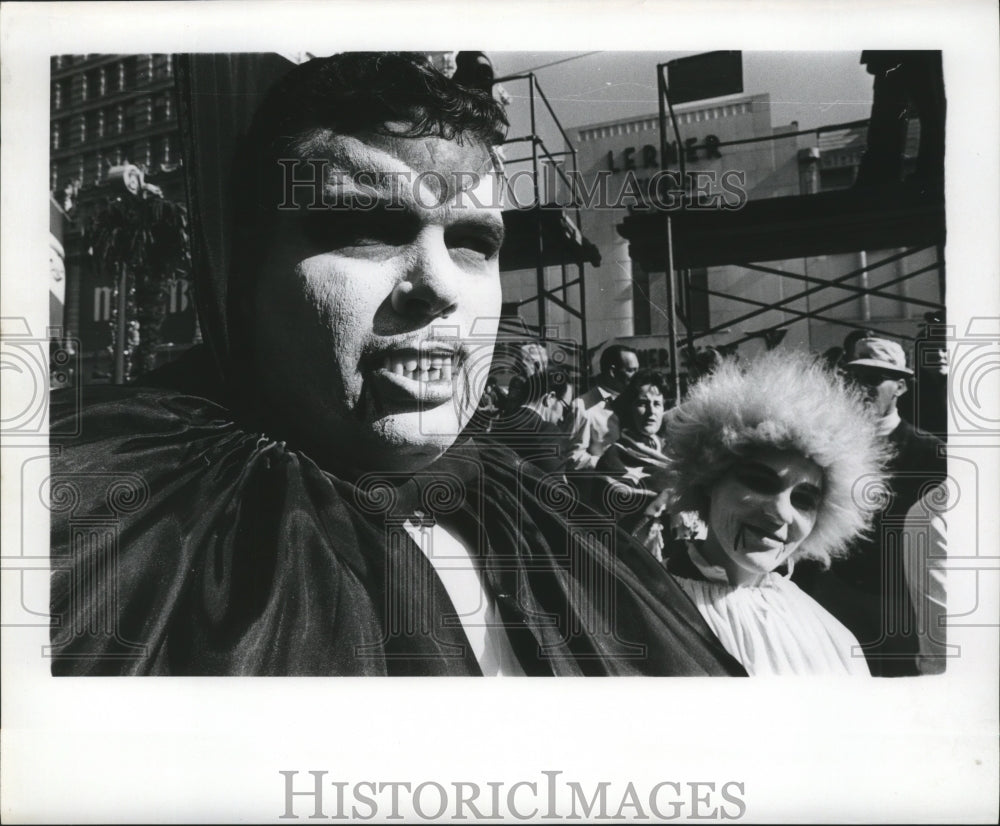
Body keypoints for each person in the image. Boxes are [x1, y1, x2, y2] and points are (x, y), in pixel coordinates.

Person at [49, 52, 743, 678]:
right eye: (366, 227)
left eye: (473, 243)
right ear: (244, 264)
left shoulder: (540, 516)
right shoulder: (86, 512)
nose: (439, 284)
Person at [659, 350, 892, 675]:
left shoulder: (828, 634)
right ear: (708, 478)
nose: (781, 512)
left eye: (804, 499)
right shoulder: (651, 609)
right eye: (759, 482)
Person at [795, 335, 946, 676]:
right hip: (836, 593)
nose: (863, 387)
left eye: (875, 379)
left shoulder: (930, 453)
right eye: (856, 377)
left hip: (898, 601)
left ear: (901, 388)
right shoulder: (828, 445)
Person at [593, 370, 673, 561]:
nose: (651, 411)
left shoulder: (672, 454)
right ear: (629, 408)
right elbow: (606, 516)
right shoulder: (614, 456)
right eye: (642, 403)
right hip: (631, 557)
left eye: (657, 404)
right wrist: (662, 498)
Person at [488, 364, 574, 474]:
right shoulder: (548, 433)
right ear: (550, 398)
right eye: (565, 409)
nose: (562, 417)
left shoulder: (499, 425)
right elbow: (554, 487)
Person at [566, 344, 639, 471]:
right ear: (612, 372)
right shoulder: (582, 406)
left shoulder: (635, 403)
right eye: (632, 370)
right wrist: (611, 465)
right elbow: (572, 457)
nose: (637, 377)